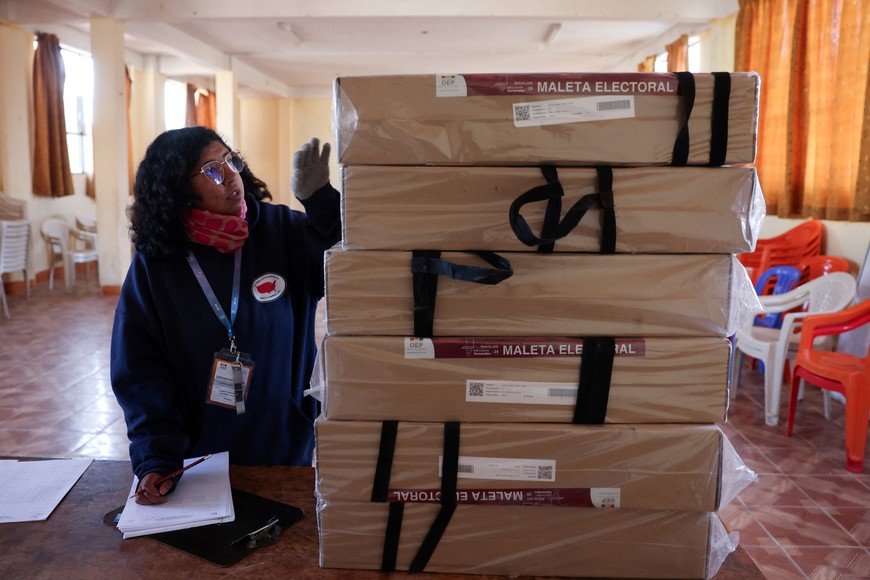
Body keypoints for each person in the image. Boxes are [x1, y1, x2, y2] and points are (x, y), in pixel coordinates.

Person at [110, 127, 340, 504]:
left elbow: (346, 267)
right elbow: (139, 367)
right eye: (213, 171)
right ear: (179, 189)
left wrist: (321, 202)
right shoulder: (157, 260)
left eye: (231, 160)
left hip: (282, 443)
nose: (232, 175)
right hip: (196, 458)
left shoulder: (282, 230)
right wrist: (156, 454)